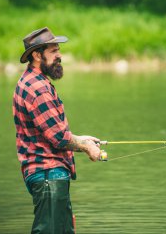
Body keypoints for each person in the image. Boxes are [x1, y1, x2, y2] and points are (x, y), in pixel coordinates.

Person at [13, 27, 101, 234]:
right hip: (48, 176)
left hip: (47, 175)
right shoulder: (38, 88)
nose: (59, 55)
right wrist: (87, 147)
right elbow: (59, 137)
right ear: (36, 55)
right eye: (53, 51)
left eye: (58, 50)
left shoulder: (31, 82)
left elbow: (50, 132)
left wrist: (81, 139)